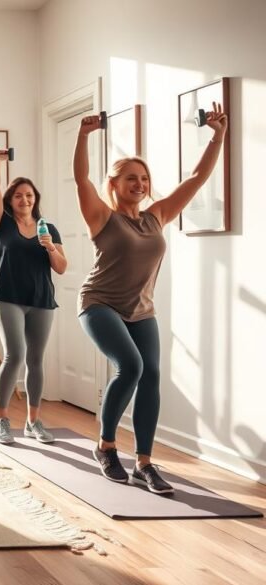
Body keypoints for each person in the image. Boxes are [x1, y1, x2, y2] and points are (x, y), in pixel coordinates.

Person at [75, 103, 228, 495]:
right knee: (130, 366)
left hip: (141, 309)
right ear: (114, 184)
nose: (140, 184)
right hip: (100, 303)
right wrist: (83, 136)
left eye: (144, 178)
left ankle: (144, 461)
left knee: (152, 376)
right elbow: (81, 178)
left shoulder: (156, 216)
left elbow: (196, 178)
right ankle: (106, 447)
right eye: (131, 178)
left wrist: (217, 136)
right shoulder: (102, 217)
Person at [0, 151, 67, 445]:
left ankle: (33, 421)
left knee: (36, 359)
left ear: (36, 198)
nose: (24, 200)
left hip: (41, 300)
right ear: (11, 200)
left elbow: (60, 267)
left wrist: (50, 248)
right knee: (15, 355)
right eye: (18, 196)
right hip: (7, 297)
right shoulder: (2, 225)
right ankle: (2, 419)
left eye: (29, 195)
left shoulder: (49, 228)